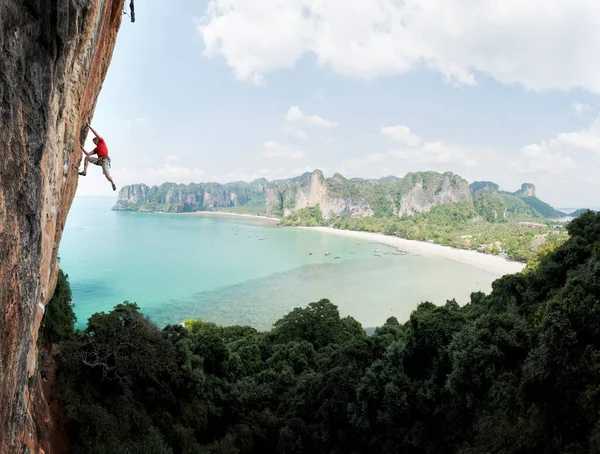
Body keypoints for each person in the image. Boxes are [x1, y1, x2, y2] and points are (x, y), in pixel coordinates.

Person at [79, 123, 117, 191]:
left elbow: (95, 133)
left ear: (97, 140)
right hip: (99, 160)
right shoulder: (96, 149)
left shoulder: (101, 141)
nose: (94, 142)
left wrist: (89, 126)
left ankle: (113, 183)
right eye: (93, 142)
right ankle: (84, 171)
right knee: (87, 158)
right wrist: (81, 147)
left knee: (107, 176)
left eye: (95, 141)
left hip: (105, 160)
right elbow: (88, 154)